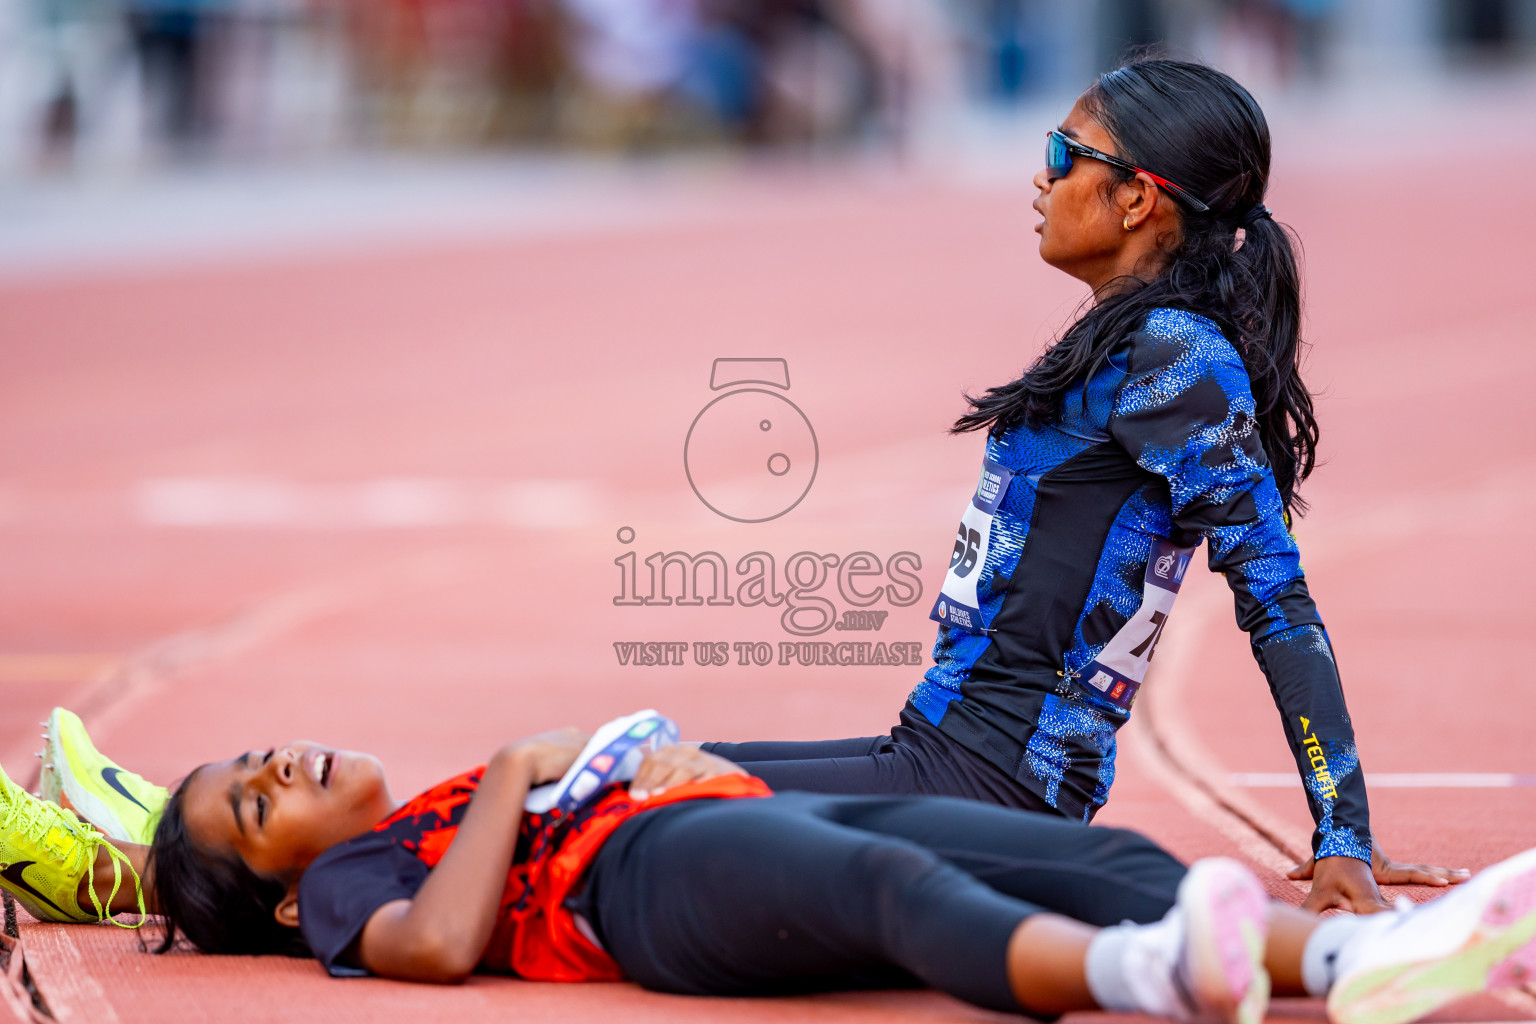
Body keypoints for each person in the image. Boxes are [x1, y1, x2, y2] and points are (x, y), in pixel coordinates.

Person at [698, 55, 1464, 913]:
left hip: (989, 787)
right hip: (937, 756)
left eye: (1065, 153)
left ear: (1137, 197)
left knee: (633, 806)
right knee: (630, 774)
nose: (1041, 175)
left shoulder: (1178, 357)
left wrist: (1344, 840)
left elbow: (1277, 597)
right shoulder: (1125, 336)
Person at [4, 707, 1536, 1024]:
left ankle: (1349, 962)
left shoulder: (418, 810)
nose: (285, 764)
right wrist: (536, 776)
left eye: (263, 751)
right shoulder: (354, 891)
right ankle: (1147, 976)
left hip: (695, 823)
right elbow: (429, 948)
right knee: (901, 900)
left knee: (1096, 850)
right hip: (641, 891)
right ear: (283, 888)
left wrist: (658, 743)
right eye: (258, 802)